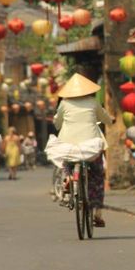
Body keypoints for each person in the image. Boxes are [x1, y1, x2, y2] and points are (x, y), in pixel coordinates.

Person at [46, 74, 114, 227]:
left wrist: (60, 123)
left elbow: (57, 122)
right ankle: (97, 213)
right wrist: (110, 121)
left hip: (69, 144)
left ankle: (69, 179)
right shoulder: (93, 102)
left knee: (67, 163)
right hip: (90, 146)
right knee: (97, 175)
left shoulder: (64, 103)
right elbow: (105, 118)